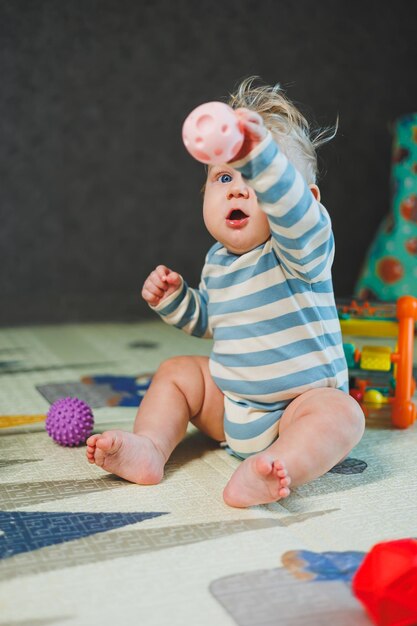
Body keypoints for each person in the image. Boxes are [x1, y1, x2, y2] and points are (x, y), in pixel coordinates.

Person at [86, 77, 365, 508]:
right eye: (224, 176)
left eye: (254, 177)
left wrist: (260, 156)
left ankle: (274, 467)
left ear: (305, 198)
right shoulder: (218, 261)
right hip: (231, 406)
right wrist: (175, 301)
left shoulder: (301, 249)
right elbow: (212, 322)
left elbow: (295, 215)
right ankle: (150, 447)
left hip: (295, 410)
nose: (237, 187)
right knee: (178, 372)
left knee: (343, 414)